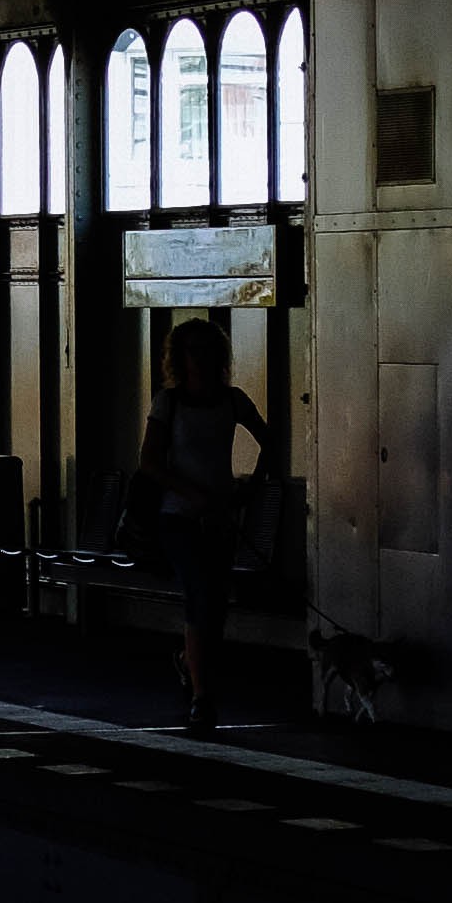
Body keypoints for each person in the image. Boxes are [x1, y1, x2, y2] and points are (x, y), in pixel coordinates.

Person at [144, 312, 270, 738]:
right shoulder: (169, 403)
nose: (197, 359)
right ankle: (203, 696)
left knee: (213, 603)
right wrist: (194, 493)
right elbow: (150, 462)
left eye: (203, 350)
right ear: (179, 358)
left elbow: (267, 440)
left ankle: (190, 663)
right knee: (201, 594)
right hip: (178, 517)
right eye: (190, 351)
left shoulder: (233, 400)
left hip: (217, 517)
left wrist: (251, 486)